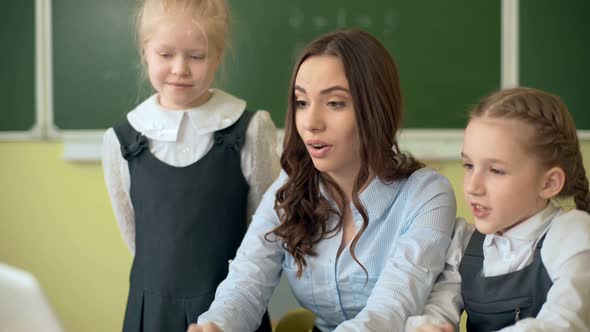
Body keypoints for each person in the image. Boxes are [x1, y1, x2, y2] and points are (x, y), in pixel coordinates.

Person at [187, 28, 457, 332]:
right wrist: (217, 325)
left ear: (376, 109)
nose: (311, 123)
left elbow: (391, 308)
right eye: (302, 102)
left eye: (335, 103)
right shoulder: (290, 188)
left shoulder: (427, 194)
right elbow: (248, 278)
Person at [101, 0, 279, 330]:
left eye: (196, 56)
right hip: (151, 312)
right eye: (165, 54)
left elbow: (265, 229)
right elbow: (135, 232)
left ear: (218, 56)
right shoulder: (122, 140)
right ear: (145, 51)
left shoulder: (251, 130)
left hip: (231, 309)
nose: (180, 68)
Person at [405, 87, 590, 332]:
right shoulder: (464, 243)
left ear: (549, 183)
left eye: (496, 171)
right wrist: (427, 326)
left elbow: (564, 323)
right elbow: (436, 309)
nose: (472, 186)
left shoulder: (572, 233)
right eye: (469, 165)